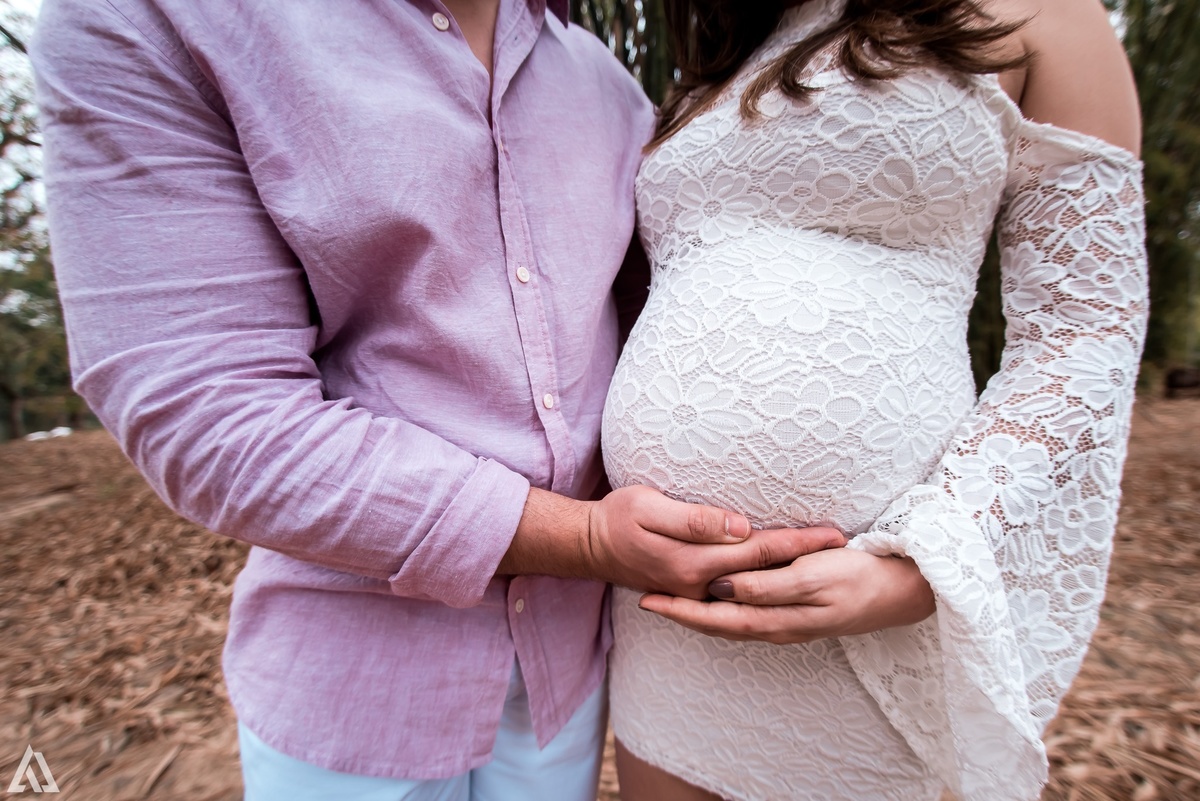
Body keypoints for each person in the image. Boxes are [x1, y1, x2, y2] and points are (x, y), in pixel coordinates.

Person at [30, 1, 846, 798]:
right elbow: (206, 410)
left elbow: (657, 316)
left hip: (571, 671)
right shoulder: (152, 19)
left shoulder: (605, 86)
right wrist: (586, 538)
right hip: (353, 689)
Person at [600, 0, 1147, 799]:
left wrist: (922, 568)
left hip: (873, 619)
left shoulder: (1046, 14)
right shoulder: (736, 43)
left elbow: (1084, 328)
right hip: (668, 613)